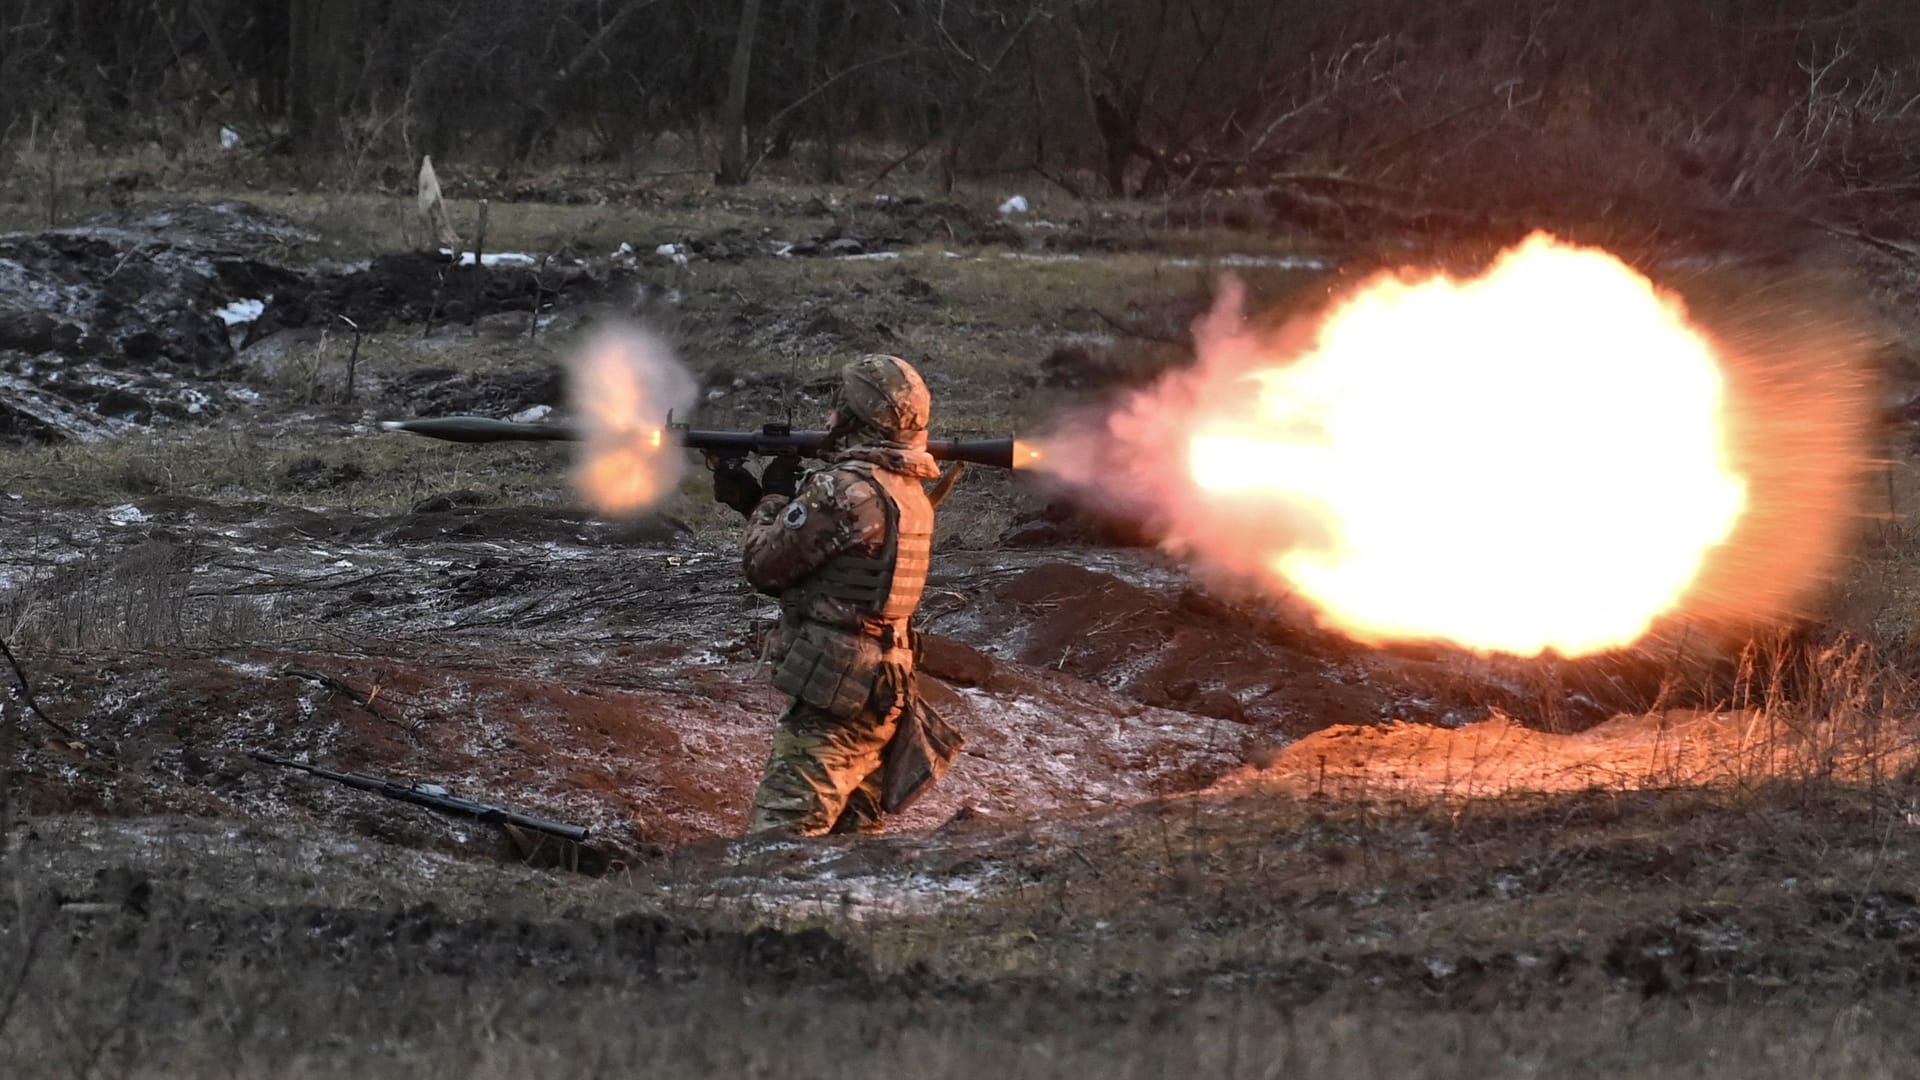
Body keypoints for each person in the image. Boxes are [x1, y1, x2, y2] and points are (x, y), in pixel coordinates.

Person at [711, 354, 959, 836]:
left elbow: (764, 569)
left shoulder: (843, 489)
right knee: (850, 847)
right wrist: (756, 503)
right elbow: (827, 559)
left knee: (780, 842)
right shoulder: (904, 490)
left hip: (837, 692)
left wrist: (773, 496)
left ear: (854, 415)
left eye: (836, 406)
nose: (827, 418)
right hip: (883, 689)